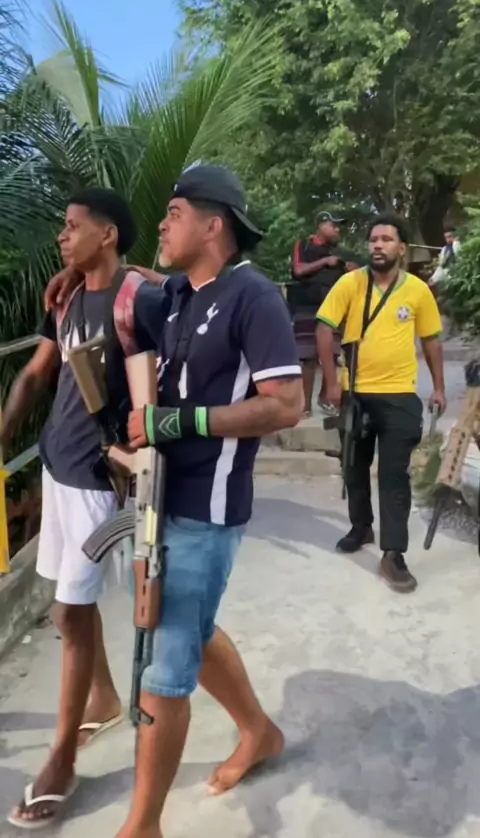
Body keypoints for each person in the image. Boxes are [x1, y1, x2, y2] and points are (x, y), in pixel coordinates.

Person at [42, 164, 304, 838]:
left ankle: (142, 826)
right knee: (188, 628)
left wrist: (179, 422)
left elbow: (286, 405)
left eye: (175, 213)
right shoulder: (180, 293)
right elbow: (125, 281)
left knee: (161, 669)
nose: (160, 223)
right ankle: (259, 731)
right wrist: (75, 273)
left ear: (213, 225)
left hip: (206, 508)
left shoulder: (254, 298)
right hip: (156, 494)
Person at [4, 188, 168, 831]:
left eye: (73, 227)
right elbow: (35, 373)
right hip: (57, 467)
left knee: (71, 611)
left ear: (108, 234)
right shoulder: (69, 297)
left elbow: (199, 315)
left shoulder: (138, 299)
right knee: (66, 607)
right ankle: (102, 698)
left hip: (102, 481)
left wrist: (154, 277)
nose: (61, 236)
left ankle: (63, 760)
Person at [317, 212, 446, 594]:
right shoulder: (350, 283)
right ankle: (361, 527)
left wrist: (439, 388)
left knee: (393, 475)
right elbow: (324, 328)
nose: (377, 245)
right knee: (353, 466)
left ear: (402, 248)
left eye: (386, 239)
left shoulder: (417, 291)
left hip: (400, 395)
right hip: (355, 392)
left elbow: (431, 340)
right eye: (373, 239)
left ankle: (393, 553)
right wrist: (331, 383)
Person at [290, 211, 347, 415]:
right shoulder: (304, 245)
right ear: (322, 225)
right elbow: (298, 270)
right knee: (308, 357)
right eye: (334, 225)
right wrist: (324, 262)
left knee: (331, 354)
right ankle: (305, 405)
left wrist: (349, 267)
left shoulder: (339, 252)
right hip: (307, 306)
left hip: (333, 309)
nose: (338, 229)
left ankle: (325, 399)